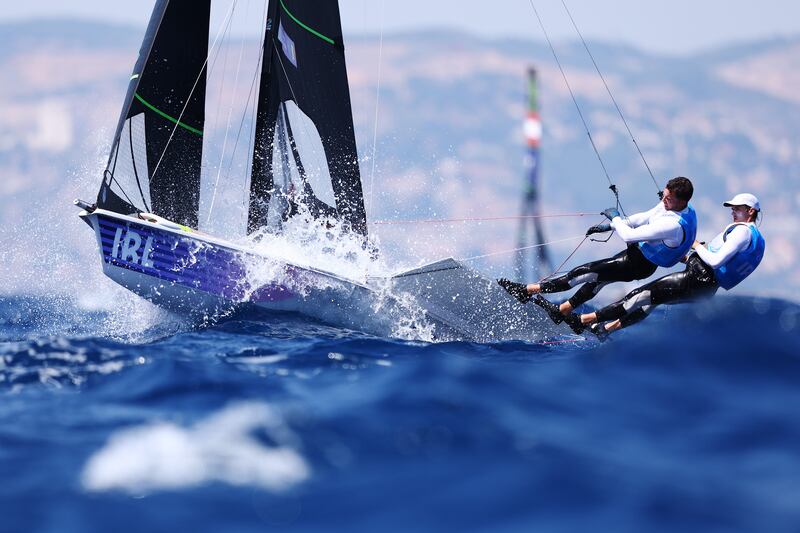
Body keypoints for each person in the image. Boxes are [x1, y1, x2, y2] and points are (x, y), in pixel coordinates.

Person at [498, 176, 697, 332]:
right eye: (664, 195)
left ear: (682, 201)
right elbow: (644, 218)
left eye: (668, 199)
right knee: (597, 280)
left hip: (638, 264)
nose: (663, 200)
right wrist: (609, 226)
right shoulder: (674, 206)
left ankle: (526, 291)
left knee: (583, 273)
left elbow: (630, 235)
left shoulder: (672, 225)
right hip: (637, 258)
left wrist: (616, 218)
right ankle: (563, 311)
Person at [578, 193, 766, 339]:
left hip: (696, 279)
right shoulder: (755, 237)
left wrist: (697, 245)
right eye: (732, 208)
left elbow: (715, 261)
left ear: (750, 211)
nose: (732, 212)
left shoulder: (742, 232)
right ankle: (606, 330)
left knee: (639, 296)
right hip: (705, 286)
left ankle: (582, 320)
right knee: (650, 303)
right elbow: (716, 256)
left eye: (737, 209)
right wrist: (689, 254)